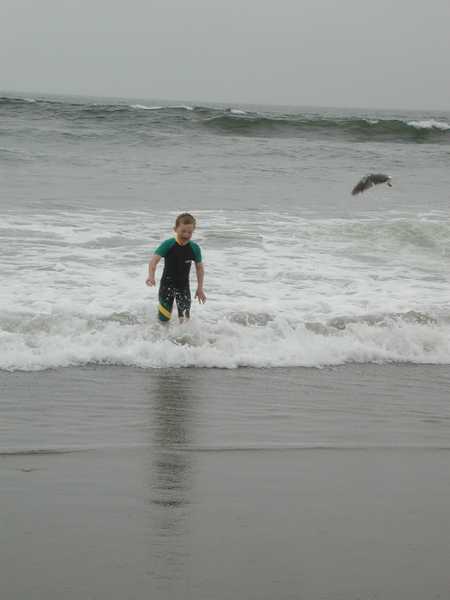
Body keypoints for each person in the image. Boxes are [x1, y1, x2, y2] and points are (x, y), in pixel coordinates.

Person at [146, 213, 206, 322]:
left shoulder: (194, 248)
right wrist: (151, 276)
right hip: (166, 286)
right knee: (163, 319)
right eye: (183, 231)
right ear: (175, 229)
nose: (186, 235)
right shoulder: (168, 244)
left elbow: (199, 268)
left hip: (184, 287)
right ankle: (160, 333)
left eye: (189, 232)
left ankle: (182, 334)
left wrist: (200, 288)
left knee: (185, 319)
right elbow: (153, 261)